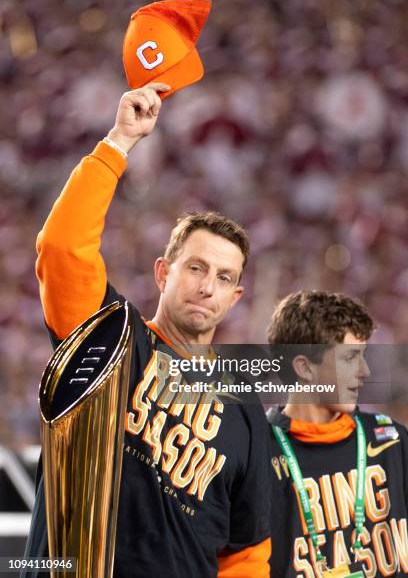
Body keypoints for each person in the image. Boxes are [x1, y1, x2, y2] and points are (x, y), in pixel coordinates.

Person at [24, 83, 272, 578]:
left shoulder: (246, 414)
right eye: (196, 268)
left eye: (224, 278)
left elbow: (246, 555)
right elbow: (61, 249)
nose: (207, 287)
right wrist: (118, 143)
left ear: (235, 298)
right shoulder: (112, 337)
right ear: (163, 273)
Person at [267, 290, 408, 577]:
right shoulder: (257, 453)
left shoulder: (392, 440)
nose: (365, 371)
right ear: (305, 367)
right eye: (350, 358)